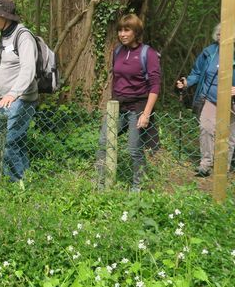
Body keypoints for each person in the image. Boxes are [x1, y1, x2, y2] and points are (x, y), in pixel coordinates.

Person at [96, 14, 161, 191]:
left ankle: (137, 188)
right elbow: (116, 79)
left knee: (134, 149)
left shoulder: (148, 53)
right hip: (118, 106)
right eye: (120, 30)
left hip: (138, 107)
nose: (122, 34)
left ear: (136, 32)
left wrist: (146, 114)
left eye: (127, 30)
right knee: (104, 142)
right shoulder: (117, 51)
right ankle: (101, 183)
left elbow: (155, 86)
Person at [0, 0, 38, 182]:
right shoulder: (4, 35)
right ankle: (16, 179)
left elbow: (28, 69)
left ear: (5, 17)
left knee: (9, 142)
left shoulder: (23, 37)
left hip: (21, 100)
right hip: (4, 100)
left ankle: (18, 183)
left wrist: (13, 94)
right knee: (10, 142)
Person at [176, 23, 235, 177]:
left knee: (229, 135)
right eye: (221, 34)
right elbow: (197, 72)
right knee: (206, 127)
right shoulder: (209, 52)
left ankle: (224, 166)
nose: (224, 36)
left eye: (228, 33)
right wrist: (187, 82)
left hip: (231, 102)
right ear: (217, 36)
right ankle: (205, 164)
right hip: (210, 98)